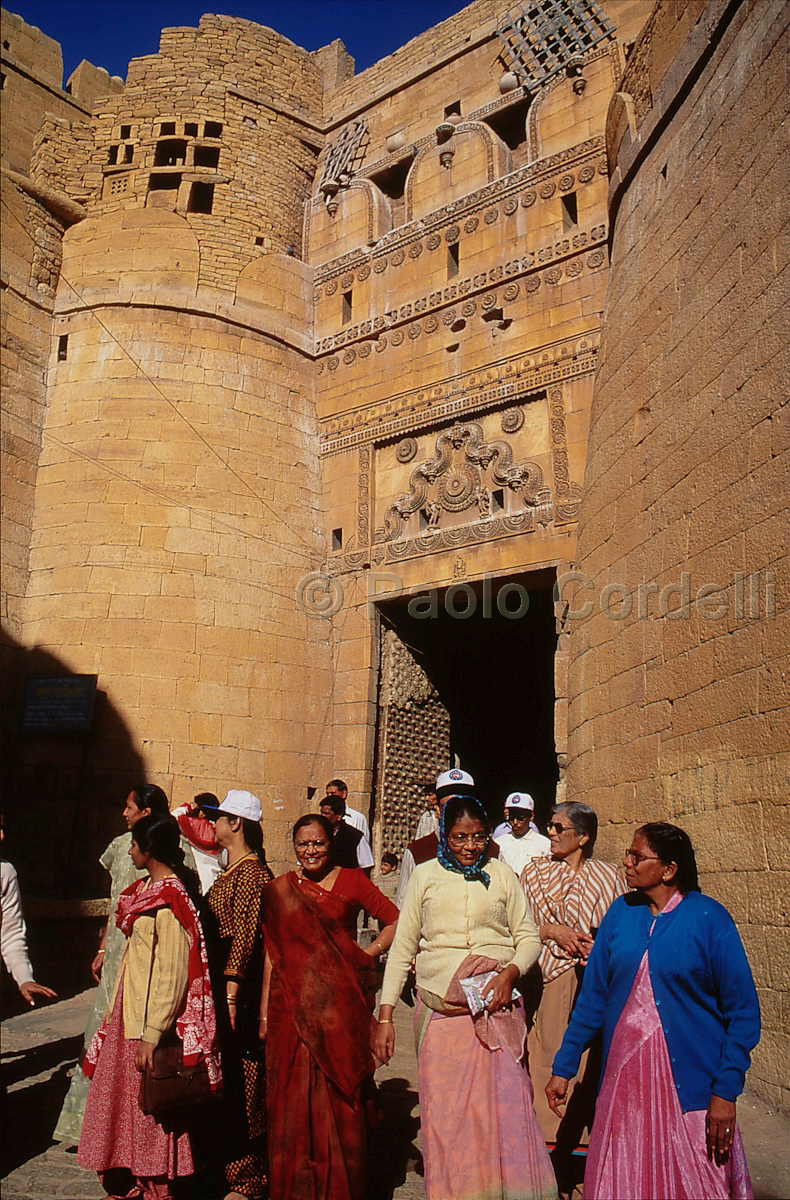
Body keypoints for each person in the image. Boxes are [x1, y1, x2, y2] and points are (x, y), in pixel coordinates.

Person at [546, 822, 760, 1200]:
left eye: (636, 856)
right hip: (625, 1091)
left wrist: (725, 1092)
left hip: (692, 1088)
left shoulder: (710, 919)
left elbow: (742, 1013)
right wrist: (564, 1067)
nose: (625, 862)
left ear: (669, 869)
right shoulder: (620, 915)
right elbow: (592, 1000)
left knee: (696, 1182)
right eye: (629, 853)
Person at [374, 795, 557, 1200]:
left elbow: (527, 938)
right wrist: (385, 1015)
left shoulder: (502, 874)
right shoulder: (424, 876)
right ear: (444, 835)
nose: (470, 847)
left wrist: (510, 972)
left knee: (502, 1115)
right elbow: (403, 949)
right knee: (449, 1120)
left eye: (478, 837)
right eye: (460, 838)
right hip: (443, 1017)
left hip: (496, 1013)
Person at [78, 813, 220, 1200]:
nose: (129, 851)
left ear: (149, 849)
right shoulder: (148, 890)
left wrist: (152, 1033)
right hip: (129, 1013)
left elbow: (173, 973)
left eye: (134, 845)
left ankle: (155, 1182)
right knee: (126, 1102)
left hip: (147, 1022)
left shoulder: (169, 897)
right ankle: (129, 1176)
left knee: (149, 1108)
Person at [261, 813, 398, 1200]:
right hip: (290, 1009)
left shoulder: (353, 880)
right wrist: (262, 1015)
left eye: (318, 843)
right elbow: (272, 955)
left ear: (331, 843)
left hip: (340, 1010)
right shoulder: (280, 890)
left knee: (340, 1096)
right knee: (292, 1097)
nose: (310, 851)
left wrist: (364, 955)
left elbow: (395, 920)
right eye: (303, 844)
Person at [54, 784, 196, 1146]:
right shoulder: (120, 847)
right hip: (120, 951)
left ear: (146, 813)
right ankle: (91, 1126)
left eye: (129, 806)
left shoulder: (175, 854)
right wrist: (104, 944)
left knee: (139, 1047)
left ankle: (131, 1128)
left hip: (149, 962)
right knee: (99, 1037)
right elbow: (115, 900)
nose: (123, 812)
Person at [520, 801, 625, 1181]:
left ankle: (581, 1149)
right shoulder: (534, 873)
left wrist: (599, 951)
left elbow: (618, 926)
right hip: (547, 978)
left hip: (594, 979)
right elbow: (518, 925)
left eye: (558, 828)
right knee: (547, 1054)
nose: (550, 832)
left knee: (588, 1060)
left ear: (583, 837)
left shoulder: (607, 876)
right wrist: (552, 932)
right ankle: (546, 1150)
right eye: (549, 826)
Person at [205, 789, 273, 1200]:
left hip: (240, 993)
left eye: (219, 818)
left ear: (236, 824)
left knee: (245, 1083)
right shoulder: (232, 871)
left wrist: (230, 994)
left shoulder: (253, 875)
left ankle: (248, 1177)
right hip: (221, 986)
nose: (213, 825)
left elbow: (247, 937)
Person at [395, 768, 496, 908]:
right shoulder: (417, 852)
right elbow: (403, 908)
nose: (458, 813)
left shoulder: (493, 851)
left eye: (464, 805)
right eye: (450, 806)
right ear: (437, 809)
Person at [0, 811, 57, 1009]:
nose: (2, 836)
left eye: (2, 828)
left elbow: (11, 935)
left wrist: (25, 978)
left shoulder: (5, 873)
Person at [172, 792, 223, 893]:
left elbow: (172, 818)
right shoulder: (221, 830)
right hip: (216, 884)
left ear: (201, 812)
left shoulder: (195, 825)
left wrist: (188, 807)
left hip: (199, 885)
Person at [494, 791, 550, 875]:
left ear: (531, 816)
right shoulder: (499, 844)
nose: (515, 822)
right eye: (512, 818)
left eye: (520, 818)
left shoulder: (544, 844)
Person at [319, 795, 375, 871]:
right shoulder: (316, 834)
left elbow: (366, 866)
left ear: (339, 816)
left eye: (326, 814)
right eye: (321, 813)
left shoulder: (355, 837)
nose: (322, 816)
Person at [325, 779, 370, 843]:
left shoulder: (358, 818)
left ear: (343, 794)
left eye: (333, 793)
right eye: (327, 794)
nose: (329, 796)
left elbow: (364, 843)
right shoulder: (324, 817)